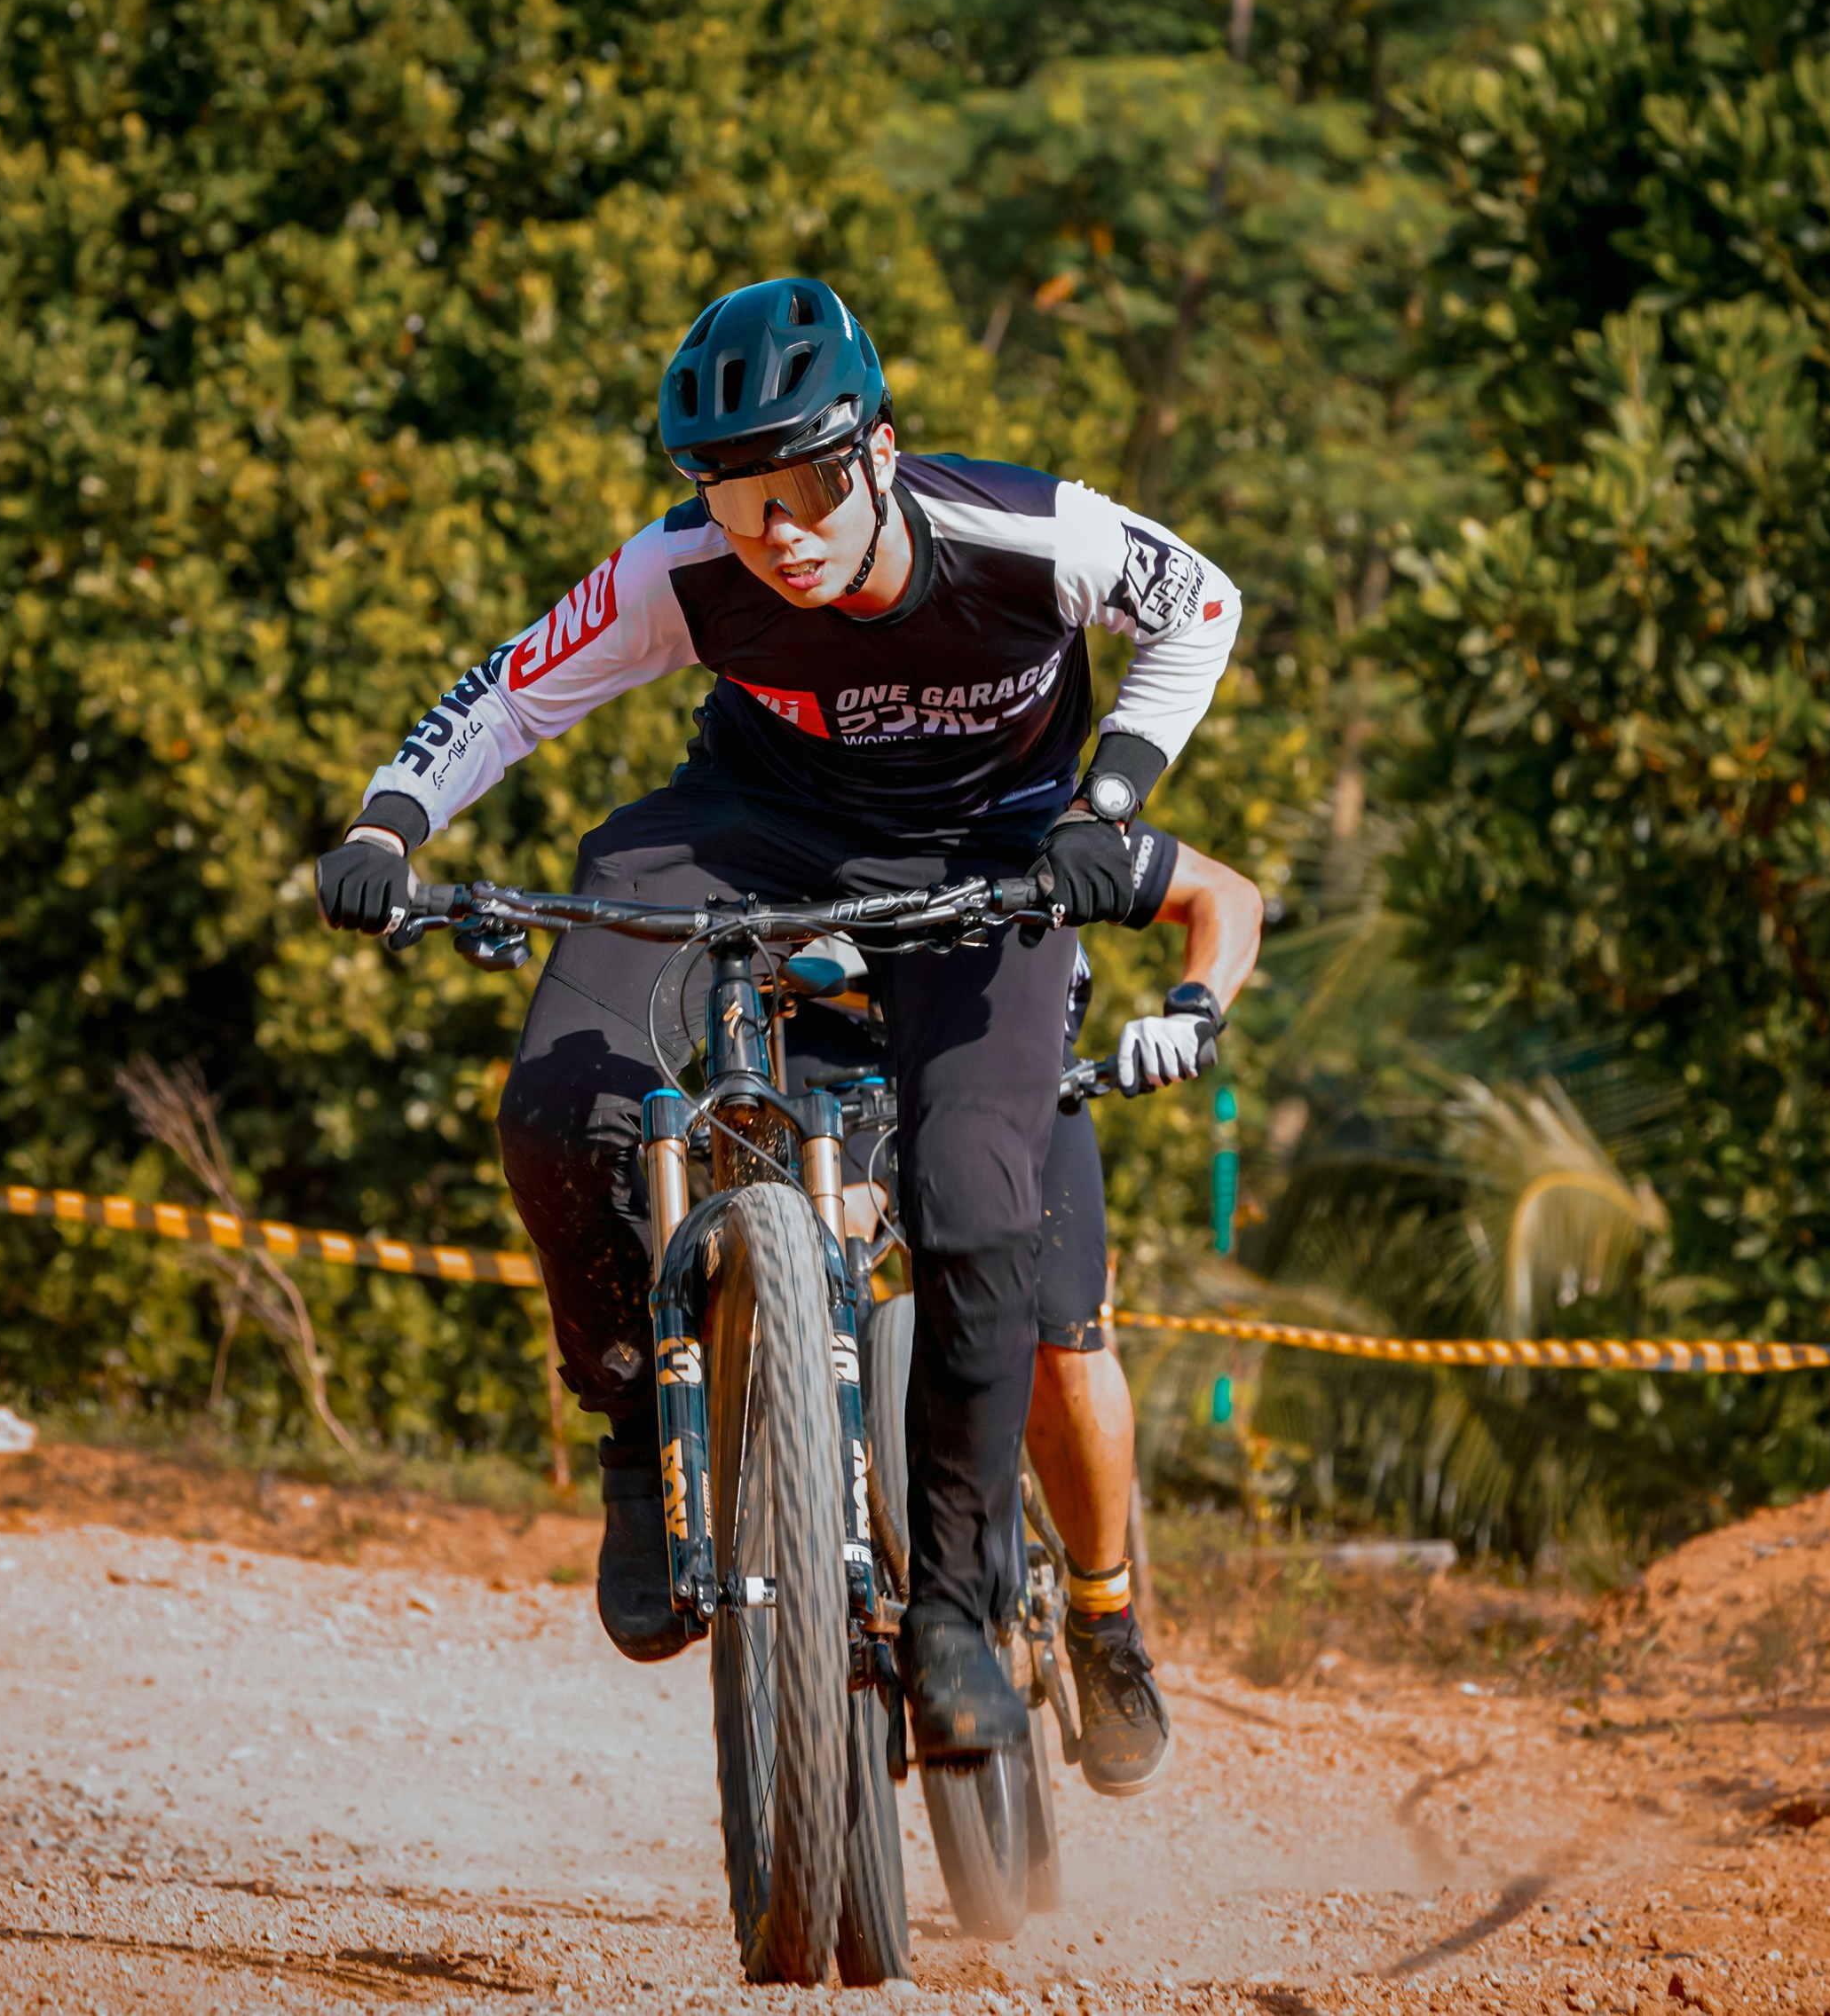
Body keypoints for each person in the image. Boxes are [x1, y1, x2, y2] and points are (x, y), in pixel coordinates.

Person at [312, 276, 1242, 1760]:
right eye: (738, 503)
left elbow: (1200, 601)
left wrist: (1110, 795)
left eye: (806, 485)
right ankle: (631, 1425)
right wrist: (386, 823)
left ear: (877, 447)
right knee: (561, 1103)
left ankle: (952, 1604)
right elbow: (506, 692)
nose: (780, 534)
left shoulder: (1024, 532)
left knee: (976, 1213)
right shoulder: (676, 574)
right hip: (747, 831)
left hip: (984, 868)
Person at [792, 830, 1260, 1799]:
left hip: (1008, 1066)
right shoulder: (789, 767)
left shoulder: (1030, 797)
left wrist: (1193, 1009)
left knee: (1058, 1343)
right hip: (830, 1069)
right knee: (788, 1261)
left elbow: (1226, 897)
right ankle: (795, 1558)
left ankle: (1103, 1616)